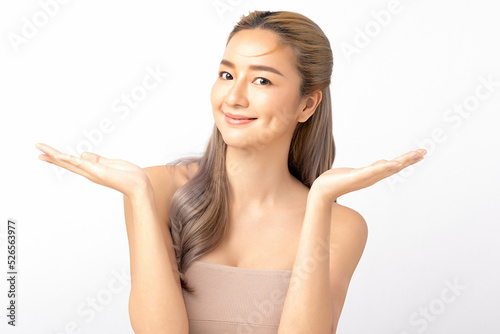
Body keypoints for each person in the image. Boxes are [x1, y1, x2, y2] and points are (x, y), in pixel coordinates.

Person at [35, 9, 427, 334]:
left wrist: (320, 200)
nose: (234, 97)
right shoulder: (157, 188)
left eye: (261, 79)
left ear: (307, 105)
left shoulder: (342, 226)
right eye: (227, 75)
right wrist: (137, 193)